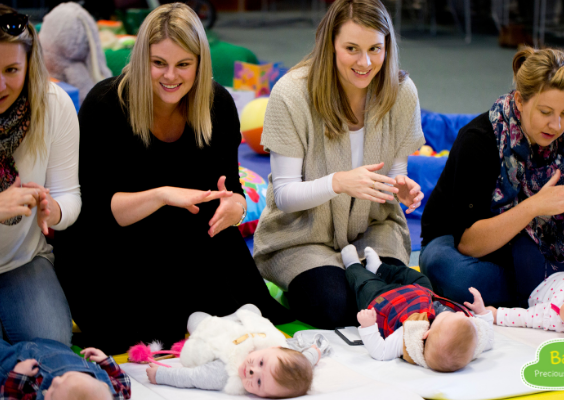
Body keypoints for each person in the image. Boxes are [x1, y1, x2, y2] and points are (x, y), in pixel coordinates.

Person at [55, 3, 290, 354]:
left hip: (184, 232)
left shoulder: (217, 104)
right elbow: (96, 213)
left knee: (246, 314)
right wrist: (163, 194)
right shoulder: (105, 105)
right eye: (159, 64)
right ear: (140, 61)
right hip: (107, 243)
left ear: (199, 64)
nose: (170, 76)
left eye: (183, 65)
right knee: (134, 333)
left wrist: (236, 208)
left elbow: (234, 191)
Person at [253, 0, 426, 329]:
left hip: (373, 230)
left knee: (407, 296)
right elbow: (285, 195)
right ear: (329, 45)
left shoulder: (402, 93)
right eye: (352, 49)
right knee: (334, 308)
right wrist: (338, 182)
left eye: (376, 49)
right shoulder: (291, 93)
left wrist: (400, 187)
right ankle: (340, 278)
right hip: (301, 236)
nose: (365, 62)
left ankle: (359, 275)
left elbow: (394, 175)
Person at [420, 47, 564, 307]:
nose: (556, 125)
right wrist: (534, 207)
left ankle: (538, 281)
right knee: (457, 275)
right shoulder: (479, 140)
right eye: (545, 112)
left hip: (543, 237)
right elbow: (469, 244)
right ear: (520, 101)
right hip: (463, 240)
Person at [0, 6, 80, 346]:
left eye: (12, 70)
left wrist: (55, 210)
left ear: (29, 66)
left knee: (53, 342)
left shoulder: (54, 105)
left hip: (21, 260)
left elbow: (69, 194)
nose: (0, 84)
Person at [343, 245, 493, 371]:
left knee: (366, 284)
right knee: (421, 278)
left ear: (426, 333)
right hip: (421, 294)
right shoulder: (470, 341)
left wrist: (368, 326)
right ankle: (379, 269)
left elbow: (380, 352)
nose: (460, 314)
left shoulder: (408, 338)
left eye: (449, 316)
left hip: (385, 302)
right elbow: (488, 339)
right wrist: (481, 312)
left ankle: (354, 266)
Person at [146, 305, 329, 398]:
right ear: (273, 348)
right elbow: (305, 360)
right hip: (244, 326)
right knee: (252, 308)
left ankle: (220, 319)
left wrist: (160, 375)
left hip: (214, 334)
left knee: (194, 318)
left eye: (258, 382)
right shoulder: (282, 350)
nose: (251, 371)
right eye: (261, 363)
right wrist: (316, 350)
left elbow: (190, 377)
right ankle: (232, 317)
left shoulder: (224, 374)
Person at [0, 339, 131, 399]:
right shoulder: (114, 393)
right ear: (103, 385)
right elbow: (124, 382)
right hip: (53, 345)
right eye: (68, 377)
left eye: (52, 393)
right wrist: (105, 361)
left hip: (16, 361)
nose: (56, 380)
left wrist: (18, 375)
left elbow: (9, 397)